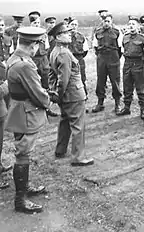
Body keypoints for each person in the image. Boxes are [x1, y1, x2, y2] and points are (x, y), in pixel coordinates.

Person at [5, 27, 51, 214]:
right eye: (37, 44)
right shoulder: (24, 64)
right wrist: (48, 101)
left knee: (23, 151)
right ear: (33, 45)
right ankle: (20, 200)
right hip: (26, 112)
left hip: (18, 109)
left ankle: (24, 189)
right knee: (23, 153)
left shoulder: (14, 58)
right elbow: (37, 92)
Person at [48, 22, 94, 166]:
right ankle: (78, 157)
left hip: (65, 96)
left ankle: (60, 149)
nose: (70, 35)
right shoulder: (64, 53)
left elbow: (52, 75)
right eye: (66, 33)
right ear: (58, 36)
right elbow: (63, 79)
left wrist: (54, 92)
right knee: (78, 126)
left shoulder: (55, 51)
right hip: (73, 95)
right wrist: (59, 94)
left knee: (65, 122)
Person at [116, 16, 144, 119]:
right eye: (129, 24)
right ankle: (126, 108)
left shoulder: (142, 38)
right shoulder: (125, 37)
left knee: (140, 88)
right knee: (127, 86)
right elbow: (122, 50)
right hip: (127, 64)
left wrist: (140, 63)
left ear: (138, 26)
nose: (131, 26)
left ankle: (143, 109)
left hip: (138, 64)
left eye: (133, 24)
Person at [29, 12, 58, 117]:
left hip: (43, 61)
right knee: (34, 85)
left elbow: (46, 47)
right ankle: (35, 110)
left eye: (38, 22)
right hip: (32, 61)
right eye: (34, 23)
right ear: (31, 24)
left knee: (45, 85)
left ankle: (47, 108)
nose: (37, 25)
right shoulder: (26, 34)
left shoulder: (44, 34)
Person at [92, 14, 122, 114]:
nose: (106, 23)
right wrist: (101, 56)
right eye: (105, 21)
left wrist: (115, 57)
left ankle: (117, 103)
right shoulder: (98, 32)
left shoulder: (117, 32)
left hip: (113, 58)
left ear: (112, 22)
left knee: (115, 81)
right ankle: (100, 103)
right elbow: (95, 46)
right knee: (100, 80)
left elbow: (120, 48)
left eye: (108, 21)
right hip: (101, 58)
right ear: (102, 22)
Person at [68, 17, 89, 113]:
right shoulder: (65, 36)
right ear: (68, 25)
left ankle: (83, 104)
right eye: (72, 24)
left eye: (76, 25)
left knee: (81, 80)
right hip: (68, 61)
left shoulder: (81, 36)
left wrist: (78, 57)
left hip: (79, 60)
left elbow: (85, 50)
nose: (74, 27)